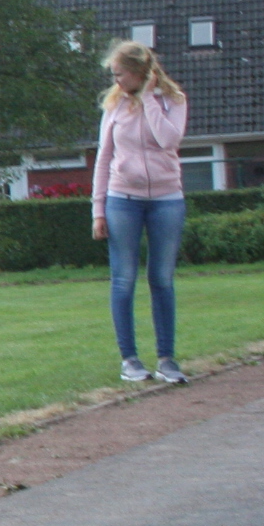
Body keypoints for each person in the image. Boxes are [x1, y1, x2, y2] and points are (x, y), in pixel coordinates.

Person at [91, 39, 189, 385]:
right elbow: (104, 157)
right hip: (122, 199)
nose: (116, 81)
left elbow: (168, 140)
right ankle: (129, 360)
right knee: (124, 279)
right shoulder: (114, 106)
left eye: (120, 74)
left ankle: (167, 359)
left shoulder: (173, 101)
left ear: (138, 72)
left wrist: (148, 99)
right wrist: (98, 210)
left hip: (167, 199)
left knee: (161, 278)